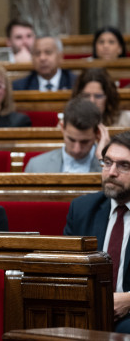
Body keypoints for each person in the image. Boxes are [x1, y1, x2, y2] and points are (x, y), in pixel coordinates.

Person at [64, 131, 130, 333]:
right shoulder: (83, 208)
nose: (111, 172)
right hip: (87, 308)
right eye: (107, 162)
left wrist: (129, 299)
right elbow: (66, 268)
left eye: (124, 165)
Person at [25, 98, 106, 173]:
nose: (76, 150)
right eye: (71, 140)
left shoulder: (109, 167)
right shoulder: (36, 166)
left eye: (84, 142)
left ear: (97, 133)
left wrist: (104, 157)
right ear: (62, 127)